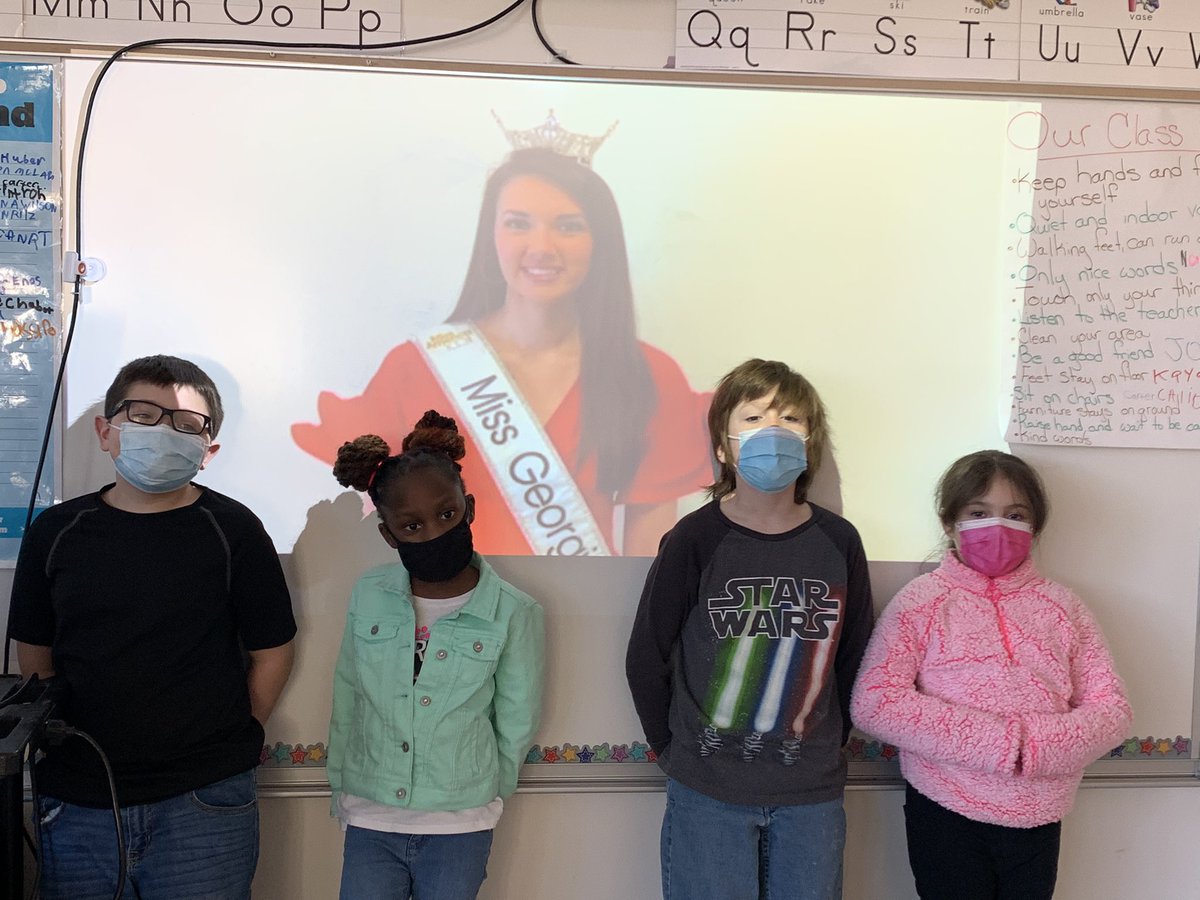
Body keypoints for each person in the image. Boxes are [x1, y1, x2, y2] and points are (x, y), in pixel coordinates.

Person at [292, 119, 711, 557]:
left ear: (599, 242)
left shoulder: (646, 375)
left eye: (568, 226)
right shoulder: (415, 367)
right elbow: (380, 532)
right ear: (491, 236)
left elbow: (650, 560)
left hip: (591, 615)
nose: (542, 247)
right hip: (442, 614)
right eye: (518, 223)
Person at [7, 354, 297, 899]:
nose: (163, 431)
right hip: (79, 800)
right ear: (106, 431)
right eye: (143, 413)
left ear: (207, 451)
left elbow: (273, 651)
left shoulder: (234, 531)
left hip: (204, 800)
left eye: (187, 424)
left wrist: (232, 737)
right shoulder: (56, 532)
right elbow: (35, 655)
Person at [625, 358, 874, 900]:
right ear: (722, 445)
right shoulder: (694, 538)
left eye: (790, 418)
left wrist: (833, 746)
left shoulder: (839, 541)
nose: (774, 430)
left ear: (810, 441)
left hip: (812, 793)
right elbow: (647, 653)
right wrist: (671, 750)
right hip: (706, 789)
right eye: (755, 416)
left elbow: (857, 656)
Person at [851, 450, 1132, 900]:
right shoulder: (920, 602)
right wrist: (996, 743)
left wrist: (1034, 747)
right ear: (950, 522)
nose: (997, 527)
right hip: (944, 808)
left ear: (1035, 527)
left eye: (1015, 515)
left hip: (1038, 815)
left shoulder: (1064, 608)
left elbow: (1112, 710)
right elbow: (875, 701)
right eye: (978, 513)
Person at [328, 409, 544, 900]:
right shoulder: (368, 594)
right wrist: (342, 783)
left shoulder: (514, 611)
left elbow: (516, 719)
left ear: (468, 507)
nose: (432, 532)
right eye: (411, 525)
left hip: (461, 821)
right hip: (370, 813)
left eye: (446, 515)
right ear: (389, 534)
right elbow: (348, 693)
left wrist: (489, 791)